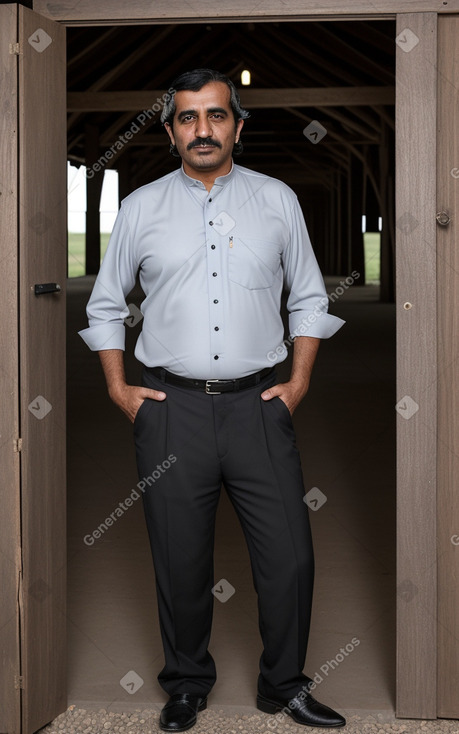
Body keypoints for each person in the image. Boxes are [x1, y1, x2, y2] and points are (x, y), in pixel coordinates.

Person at [79, 68, 346, 732]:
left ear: (237, 125)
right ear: (170, 130)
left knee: (289, 558)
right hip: (171, 412)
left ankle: (282, 686)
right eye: (189, 118)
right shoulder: (140, 207)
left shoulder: (277, 199)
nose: (203, 129)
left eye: (217, 115)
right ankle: (187, 685)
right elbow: (108, 305)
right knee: (179, 558)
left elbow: (309, 298)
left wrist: (300, 380)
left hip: (259, 407)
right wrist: (119, 388)